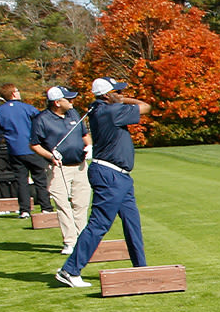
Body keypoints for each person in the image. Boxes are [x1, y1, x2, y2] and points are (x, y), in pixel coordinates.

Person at [55, 78, 151, 288]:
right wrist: (124, 99)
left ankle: (140, 268)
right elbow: (145, 107)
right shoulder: (111, 111)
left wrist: (117, 98)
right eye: (117, 91)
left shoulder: (103, 109)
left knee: (132, 221)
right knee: (99, 224)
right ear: (108, 95)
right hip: (110, 175)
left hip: (120, 176)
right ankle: (70, 270)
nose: (121, 93)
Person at [30, 85, 93, 255]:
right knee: (63, 205)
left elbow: (84, 134)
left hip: (80, 166)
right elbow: (34, 144)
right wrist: (50, 156)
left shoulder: (73, 113)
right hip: (58, 168)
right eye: (69, 99)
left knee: (81, 204)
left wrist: (89, 146)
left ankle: (83, 239)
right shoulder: (42, 119)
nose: (72, 101)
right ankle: (70, 242)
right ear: (57, 102)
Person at [0, 83, 49, 216]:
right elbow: (40, 119)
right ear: (13, 94)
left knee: (21, 181)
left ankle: (24, 210)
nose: (19, 92)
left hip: (14, 150)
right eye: (17, 90)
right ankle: (46, 207)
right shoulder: (27, 108)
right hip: (32, 149)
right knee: (40, 179)